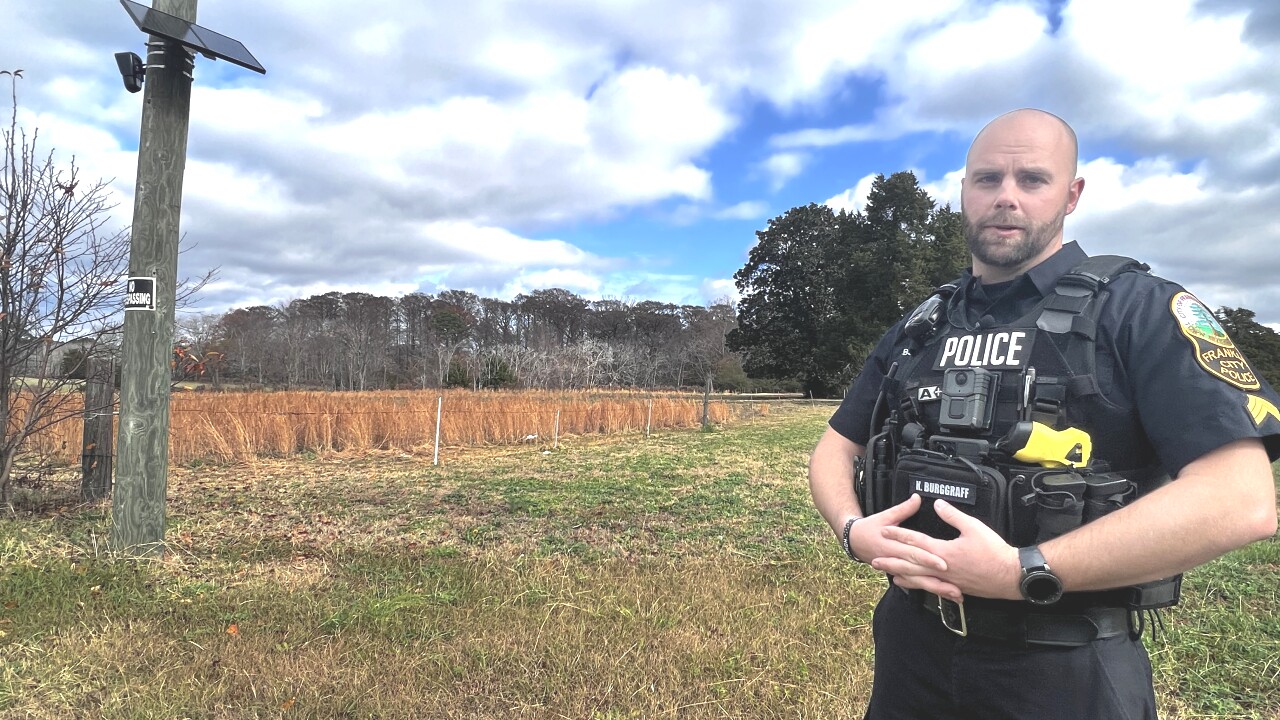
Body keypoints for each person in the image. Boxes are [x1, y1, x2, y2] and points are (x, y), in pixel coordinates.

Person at [808, 108, 1280, 719]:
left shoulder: (1139, 310)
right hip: (911, 649)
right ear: (962, 193)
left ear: (1072, 193)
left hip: (1066, 669)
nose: (1006, 197)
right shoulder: (923, 325)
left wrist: (1019, 570)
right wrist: (853, 531)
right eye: (987, 179)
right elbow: (834, 449)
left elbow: (1239, 501)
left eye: (1032, 179)